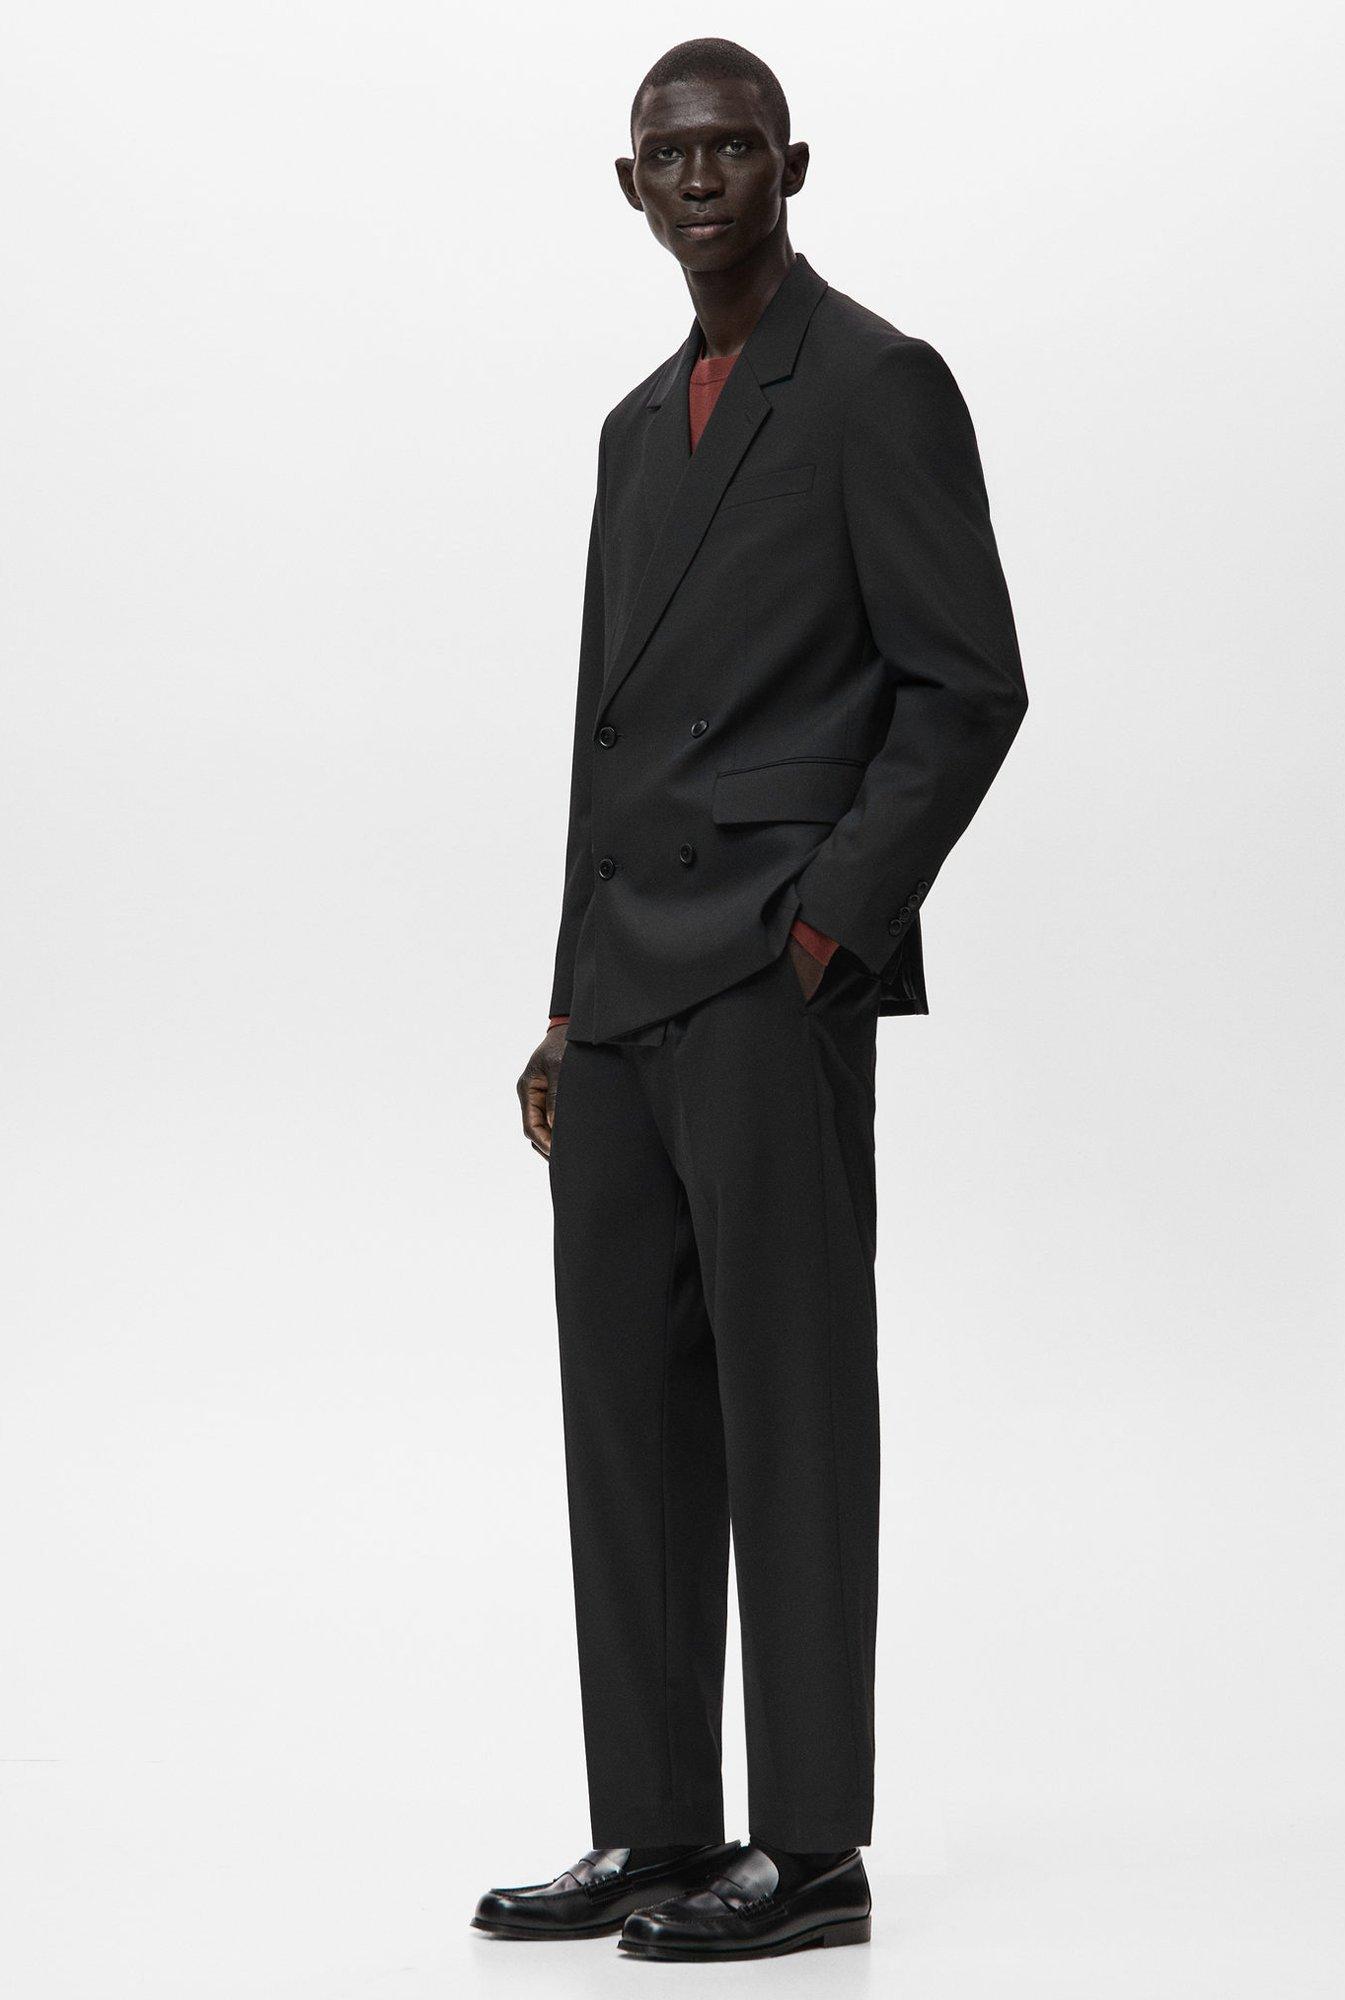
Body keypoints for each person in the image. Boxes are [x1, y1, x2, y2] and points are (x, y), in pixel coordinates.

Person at [474, 37, 1027, 1962]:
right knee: (623, 1417)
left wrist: (825, 935)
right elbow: (603, 742)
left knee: (793, 1409)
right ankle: (651, 1823)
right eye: (670, 154)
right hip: (628, 989)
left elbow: (968, 687)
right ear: (629, 186)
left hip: (771, 984)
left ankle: (810, 1849)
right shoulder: (634, 429)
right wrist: (565, 1003)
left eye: (733, 148)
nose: (702, 177)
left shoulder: (876, 383)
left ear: (793, 165)